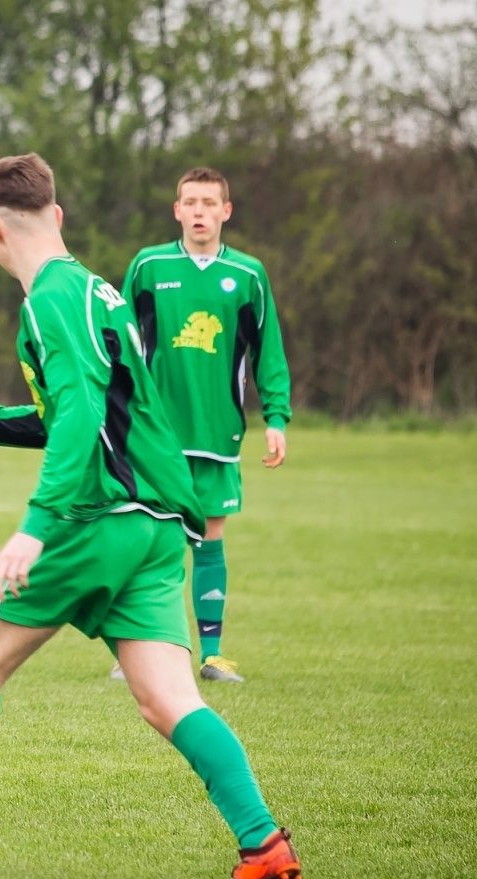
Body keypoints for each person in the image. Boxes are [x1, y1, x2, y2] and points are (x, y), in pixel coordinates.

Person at [0, 154, 300, 879]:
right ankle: (264, 844)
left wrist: (36, 526)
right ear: (56, 215)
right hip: (158, 527)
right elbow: (84, 413)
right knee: (169, 699)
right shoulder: (98, 290)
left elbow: (80, 416)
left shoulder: (49, 300)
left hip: (98, 515)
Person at [112, 167, 291, 684]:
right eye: (190, 202)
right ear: (176, 210)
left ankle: (211, 656)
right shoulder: (149, 266)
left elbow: (268, 352)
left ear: (225, 211)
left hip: (217, 435)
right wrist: (115, 408)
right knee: (151, 540)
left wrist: (276, 417)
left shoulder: (248, 275)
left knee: (210, 541)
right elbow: (118, 340)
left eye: (209, 203)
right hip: (155, 434)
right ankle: (136, 654)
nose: (199, 212)